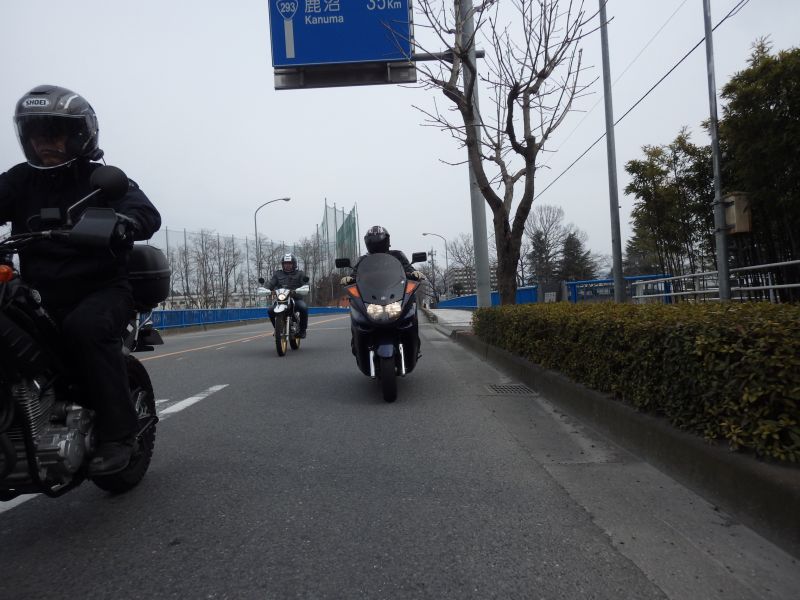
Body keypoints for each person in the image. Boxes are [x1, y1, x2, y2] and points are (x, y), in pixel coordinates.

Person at [0, 85, 161, 476]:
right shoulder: (19, 180)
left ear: (79, 135)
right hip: (40, 293)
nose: (45, 142)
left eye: (55, 132)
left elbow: (145, 213)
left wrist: (124, 222)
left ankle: (119, 435)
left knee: (86, 328)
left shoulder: (98, 178)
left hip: (100, 290)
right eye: (36, 133)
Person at [339, 225, 424, 285]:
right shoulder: (364, 260)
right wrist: (350, 278)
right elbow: (356, 273)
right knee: (354, 300)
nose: (376, 244)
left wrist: (413, 272)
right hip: (369, 292)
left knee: (411, 297)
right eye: (373, 240)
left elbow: (407, 267)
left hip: (397, 289)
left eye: (379, 241)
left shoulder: (397, 255)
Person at [265, 252, 308, 338]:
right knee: (270, 310)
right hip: (281, 300)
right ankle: (278, 329)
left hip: (295, 299)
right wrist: (266, 290)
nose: (287, 265)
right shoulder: (277, 274)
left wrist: (304, 288)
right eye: (285, 263)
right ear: (282, 264)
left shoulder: (300, 274)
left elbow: (305, 284)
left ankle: (302, 331)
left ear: (294, 264)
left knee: (303, 307)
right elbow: (271, 284)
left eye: (289, 263)